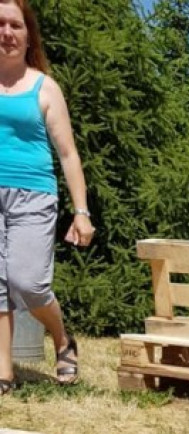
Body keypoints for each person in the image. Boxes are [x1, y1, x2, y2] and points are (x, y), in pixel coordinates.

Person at [0, 0, 94, 395]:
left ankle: (61, 337)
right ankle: (4, 371)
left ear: (28, 34)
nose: (6, 32)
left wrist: (81, 212)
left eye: (15, 25)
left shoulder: (44, 87)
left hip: (33, 195)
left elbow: (69, 154)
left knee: (28, 282)